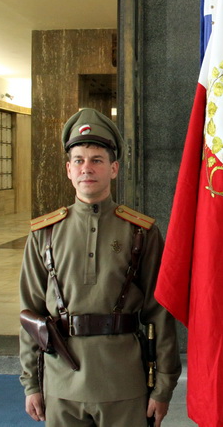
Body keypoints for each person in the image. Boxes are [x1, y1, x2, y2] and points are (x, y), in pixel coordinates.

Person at [19, 108, 181, 426]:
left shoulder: (141, 232)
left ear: (114, 168)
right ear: (68, 169)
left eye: (97, 160)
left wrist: (163, 386)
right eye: (79, 160)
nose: (87, 168)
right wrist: (31, 384)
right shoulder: (44, 233)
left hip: (124, 381)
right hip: (61, 382)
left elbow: (159, 313)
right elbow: (30, 313)